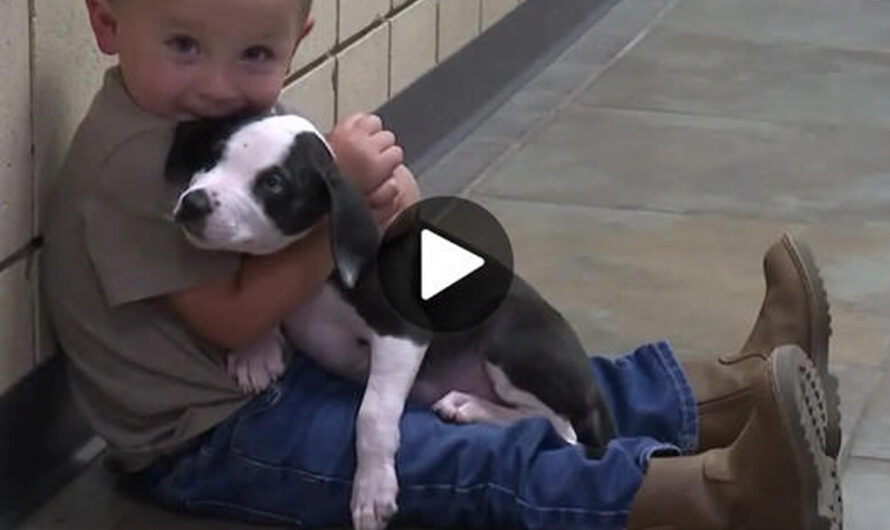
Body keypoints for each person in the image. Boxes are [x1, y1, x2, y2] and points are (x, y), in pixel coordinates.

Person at [40, 0, 843, 528]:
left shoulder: (224, 111)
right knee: (446, 458)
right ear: (107, 20)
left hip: (291, 362)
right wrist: (341, 211)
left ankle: (731, 391)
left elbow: (316, 239)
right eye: (185, 45)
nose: (220, 85)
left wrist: (388, 205)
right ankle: (714, 497)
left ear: (299, 41)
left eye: (255, 54)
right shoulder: (129, 166)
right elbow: (234, 315)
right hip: (209, 433)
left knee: (488, 334)